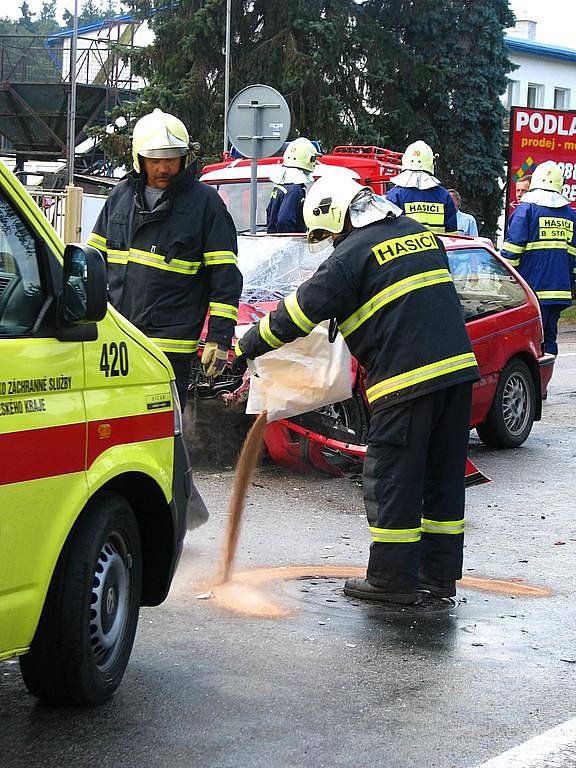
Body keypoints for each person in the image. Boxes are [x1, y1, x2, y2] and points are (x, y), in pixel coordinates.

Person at [234, 177, 479, 605]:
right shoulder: (419, 235)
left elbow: (296, 314)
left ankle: (391, 580)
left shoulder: (350, 256)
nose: (329, 243)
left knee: (392, 477)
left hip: (405, 382)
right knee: (441, 478)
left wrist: (245, 346)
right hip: (457, 375)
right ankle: (439, 577)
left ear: (336, 219)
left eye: (327, 235)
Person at [87, 108, 242, 406]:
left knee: (161, 433)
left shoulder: (205, 205)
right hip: (118, 341)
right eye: (155, 160)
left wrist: (220, 338)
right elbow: (93, 263)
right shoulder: (118, 198)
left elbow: (225, 277)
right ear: (139, 159)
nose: (163, 168)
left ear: (184, 159)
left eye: (170, 159)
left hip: (169, 350)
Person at [501, 161, 576, 356]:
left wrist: (505, 282)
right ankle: (546, 377)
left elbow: (512, 250)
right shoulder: (570, 214)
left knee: (530, 342)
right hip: (560, 291)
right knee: (549, 338)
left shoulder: (526, 210)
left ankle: (537, 384)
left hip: (532, 290)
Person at [386, 140, 458, 234]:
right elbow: (452, 235)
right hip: (438, 247)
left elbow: (388, 231)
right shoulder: (444, 195)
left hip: (407, 247)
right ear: (432, 163)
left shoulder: (395, 194)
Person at [266, 137, 319, 233]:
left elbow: (269, 213)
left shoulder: (280, 186)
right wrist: (290, 242)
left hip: (274, 242)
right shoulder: (295, 190)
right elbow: (284, 219)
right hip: (288, 245)